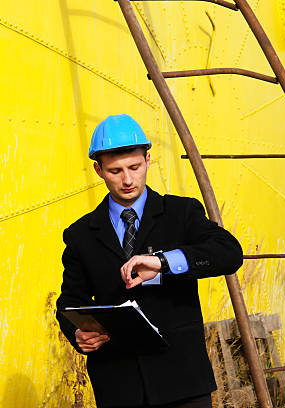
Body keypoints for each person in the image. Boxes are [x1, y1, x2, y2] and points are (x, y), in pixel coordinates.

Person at [56, 114, 243, 408]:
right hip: (117, 387)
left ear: (148, 160)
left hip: (183, 383)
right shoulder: (80, 234)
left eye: (134, 167)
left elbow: (229, 252)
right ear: (98, 170)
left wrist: (163, 262)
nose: (128, 179)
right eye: (115, 171)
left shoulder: (181, 213)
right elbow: (69, 300)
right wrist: (78, 332)